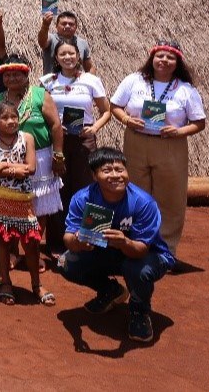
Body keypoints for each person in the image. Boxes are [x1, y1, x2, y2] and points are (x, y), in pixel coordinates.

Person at [61, 147, 175, 343]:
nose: (116, 175)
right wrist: (79, 242)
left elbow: (141, 250)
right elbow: (68, 238)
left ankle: (139, 311)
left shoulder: (143, 203)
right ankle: (110, 290)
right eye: (107, 171)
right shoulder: (83, 199)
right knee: (66, 263)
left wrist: (124, 242)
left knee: (137, 269)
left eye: (120, 170)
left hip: (147, 254)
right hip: (106, 251)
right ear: (94, 176)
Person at [110, 39, 206, 254]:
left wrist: (179, 131)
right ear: (152, 58)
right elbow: (115, 105)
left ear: (177, 61)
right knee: (133, 192)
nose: (164, 60)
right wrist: (127, 120)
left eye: (170, 57)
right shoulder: (135, 80)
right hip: (136, 141)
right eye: (160, 56)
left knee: (170, 196)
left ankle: (165, 248)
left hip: (170, 146)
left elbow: (199, 122)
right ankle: (135, 243)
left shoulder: (185, 89)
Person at [40, 39, 112, 247]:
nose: (67, 58)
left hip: (84, 140)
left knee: (88, 187)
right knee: (58, 188)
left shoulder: (91, 80)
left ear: (78, 56)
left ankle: (91, 240)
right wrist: (52, 128)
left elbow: (106, 110)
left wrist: (95, 128)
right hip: (57, 141)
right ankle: (58, 242)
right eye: (62, 54)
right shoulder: (47, 81)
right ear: (56, 57)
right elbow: (39, 109)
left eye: (71, 53)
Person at [0, 102, 50, 306]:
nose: (11, 121)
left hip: (22, 199)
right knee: (1, 241)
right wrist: (14, 169)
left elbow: (31, 168)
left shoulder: (27, 138)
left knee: (31, 242)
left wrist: (3, 165)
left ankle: (36, 285)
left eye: (14, 117)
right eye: (5, 118)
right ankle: (6, 283)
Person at [0, 55, 65, 256]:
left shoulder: (40, 95)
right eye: (7, 75)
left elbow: (56, 126)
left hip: (41, 157)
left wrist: (58, 155)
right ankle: (14, 251)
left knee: (39, 207)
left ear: (26, 74)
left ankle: (32, 250)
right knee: (12, 205)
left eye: (17, 74)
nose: (12, 79)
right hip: (8, 157)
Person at [37, 10, 93, 75]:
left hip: (75, 84)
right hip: (52, 84)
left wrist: (91, 81)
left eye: (71, 24)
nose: (67, 26)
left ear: (76, 27)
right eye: (64, 23)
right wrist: (45, 25)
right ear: (56, 26)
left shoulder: (83, 43)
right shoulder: (51, 39)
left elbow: (89, 67)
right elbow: (42, 42)